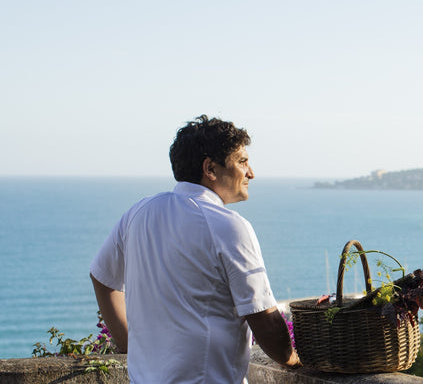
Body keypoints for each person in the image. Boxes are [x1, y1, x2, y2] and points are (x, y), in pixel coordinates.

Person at [90, 115, 300, 383]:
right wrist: (293, 359)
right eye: (242, 161)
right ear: (210, 168)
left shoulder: (139, 212)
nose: (251, 173)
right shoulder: (229, 226)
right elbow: (265, 321)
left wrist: (129, 345)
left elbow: (101, 277)